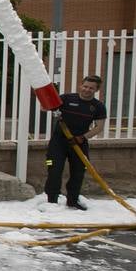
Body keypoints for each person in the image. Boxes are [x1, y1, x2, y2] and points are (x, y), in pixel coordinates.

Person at [45, 74, 107, 210]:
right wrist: (48, 104)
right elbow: (47, 107)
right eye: (85, 86)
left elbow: (99, 127)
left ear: (96, 90)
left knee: (78, 172)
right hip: (59, 142)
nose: (87, 89)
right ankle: (51, 201)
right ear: (81, 85)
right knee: (54, 169)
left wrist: (82, 137)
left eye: (91, 88)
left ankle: (73, 201)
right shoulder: (66, 98)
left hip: (79, 143)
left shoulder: (98, 107)